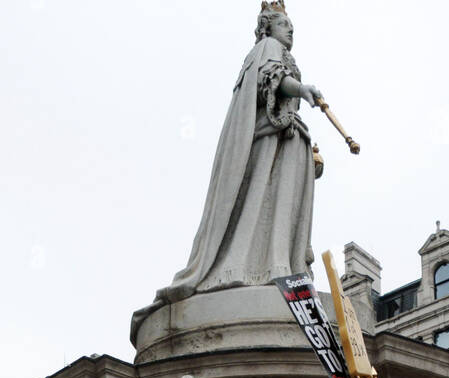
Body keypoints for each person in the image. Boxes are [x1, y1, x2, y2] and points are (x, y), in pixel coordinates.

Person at [131, 2, 323, 342]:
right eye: (284, 24)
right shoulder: (267, 48)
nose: (290, 30)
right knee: (266, 203)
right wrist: (302, 90)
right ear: (268, 28)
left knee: (276, 205)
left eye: (292, 26)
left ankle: (277, 264)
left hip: (284, 142)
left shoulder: (279, 52)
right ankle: (266, 266)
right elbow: (272, 80)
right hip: (269, 143)